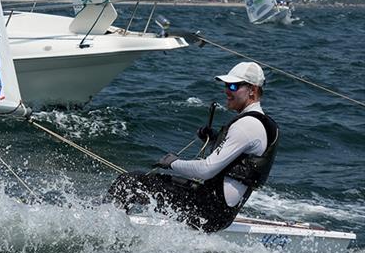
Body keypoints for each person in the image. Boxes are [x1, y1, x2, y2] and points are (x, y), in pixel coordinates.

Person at [105, 62, 279, 233]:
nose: (227, 91)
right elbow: (237, 161)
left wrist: (173, 163)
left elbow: (206, 170)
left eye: (233, 86)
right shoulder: (261, 123)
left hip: (208, 213)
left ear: (252, 90)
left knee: (129, 183)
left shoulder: (247, 125)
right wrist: (213, 141)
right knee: (142, 182)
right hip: (218, 211)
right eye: (226, 85)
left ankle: (104, 229)